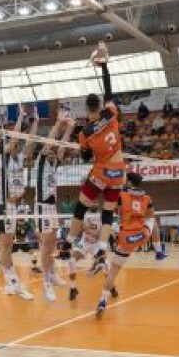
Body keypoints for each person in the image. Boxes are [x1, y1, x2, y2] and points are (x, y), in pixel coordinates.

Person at [59, 41, 127, 276]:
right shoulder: (111, 113)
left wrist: (79, 131)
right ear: (100, 105)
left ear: (87, 110)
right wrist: (103, 66)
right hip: (119, 171)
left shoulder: (84, 132)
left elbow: (87, 156)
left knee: (81, 207)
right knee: (108, 212)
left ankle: (67, 242)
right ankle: (100, 251)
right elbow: (109, 90)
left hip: (101, 171)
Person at [95, 172, 167, 318]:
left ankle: (102, 301)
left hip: (126, 238)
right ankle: (159, 251)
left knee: (113, 271)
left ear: (128, 182)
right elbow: (149, 215)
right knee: (153, 220)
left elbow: (111, 209)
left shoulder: (121, 195)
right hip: (141, 236)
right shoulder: (147, 198)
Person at [0, 105, 39, 300]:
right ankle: (11, 282)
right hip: (3, 206)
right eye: (11, 144)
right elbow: (16, 138)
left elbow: (30, 142)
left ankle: (11, 283)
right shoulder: (3, 159)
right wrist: (19, 117)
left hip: (12, 206)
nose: (15, 146)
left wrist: (35, 121)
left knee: (8, 245)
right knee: (5, 246)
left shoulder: (19, 159)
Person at [35, 115, 74, 301]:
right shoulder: (41, 162)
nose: (52, 151)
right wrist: (59, 123)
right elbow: (51, 143)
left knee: (52, 244)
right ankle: (46, 284)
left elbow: (62, 148)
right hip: (42, 207)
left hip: (52, 208)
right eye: (49, 149)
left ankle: (51, 273)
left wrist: (69, 129)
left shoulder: (53, 164)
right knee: (45, 245)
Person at [68, 204, 102, 301]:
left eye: (95, 202)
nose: (94, 204)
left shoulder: (102, 216)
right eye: (92, 202)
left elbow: (106, 231)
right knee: (71, 261)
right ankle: (73, 288)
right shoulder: (83, 215)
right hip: (84, 243)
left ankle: (112, 287)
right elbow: (77, 228)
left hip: (97, 243)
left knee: (104, 265)